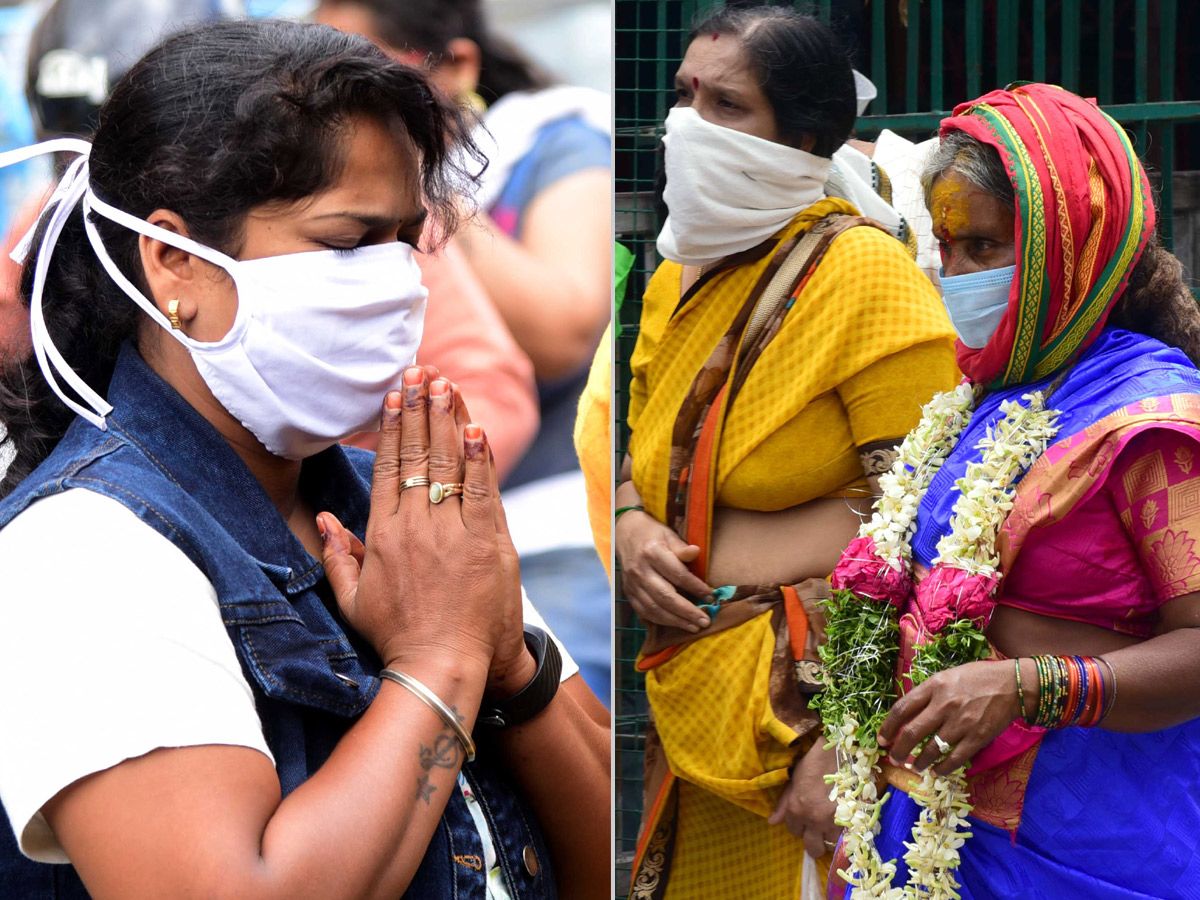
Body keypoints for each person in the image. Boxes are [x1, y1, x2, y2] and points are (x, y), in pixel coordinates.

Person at [0, 19, 608, 900]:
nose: (397, 280)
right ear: (174, 261)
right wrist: (440, 661)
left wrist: (508, 659)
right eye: (348, 244)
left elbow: (606, 861)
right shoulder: (84, 552)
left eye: (407, 239)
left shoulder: (392, 505)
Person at [615, 7, 960, 898]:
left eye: (728, 104)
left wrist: (849, 742)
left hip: (806, 732)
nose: (689, 125)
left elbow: (936, 536)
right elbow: (644, 451)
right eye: (685, 94)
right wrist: (628, 525)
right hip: (691, 700)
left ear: (803, 138)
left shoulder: (865, 278)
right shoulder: (675, 274)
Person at [832, 83, 1200, 899]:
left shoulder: (1151, 420)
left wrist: (1025, 684)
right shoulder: (986, 395)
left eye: (986, 247)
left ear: (1073, 247)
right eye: (948, 245)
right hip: (927, 824)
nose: (955, 274)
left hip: (1089, 839)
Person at [2, 0, 540, 481]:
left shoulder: (368, 203)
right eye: (345, 245)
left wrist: (410, 503)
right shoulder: (36, 242)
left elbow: (489, 387)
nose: (390, 266)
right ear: (172, 258)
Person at [314, 0, 613, 704]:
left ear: (457, 69)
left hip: (557, 523)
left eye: (357, 66)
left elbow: (565, 329)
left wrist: (424, 192)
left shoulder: (559, 140)